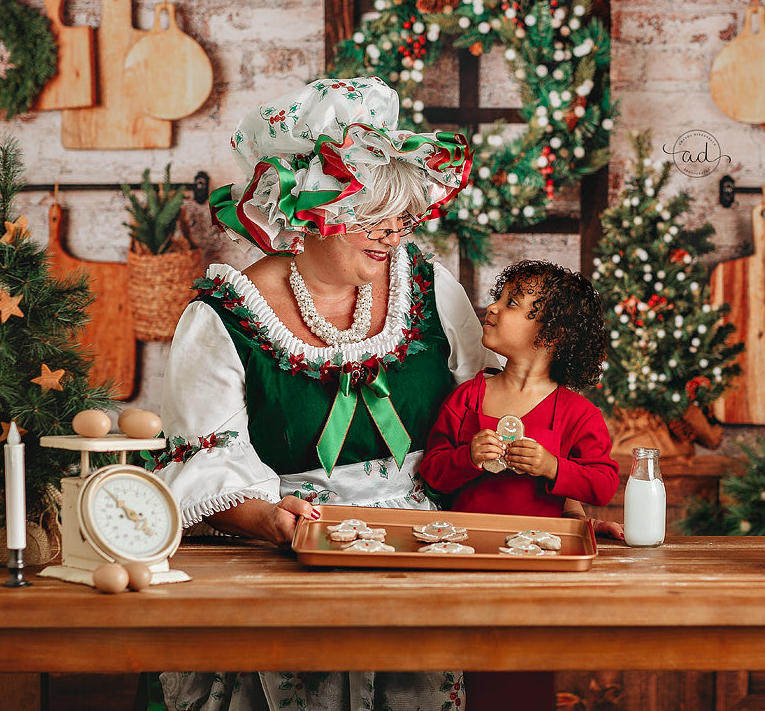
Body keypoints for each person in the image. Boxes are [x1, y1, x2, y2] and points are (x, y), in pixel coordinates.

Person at [151, 76, 491, 711]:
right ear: (307, 214)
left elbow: (484, 418)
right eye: (367, 212)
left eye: (401, 211)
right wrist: (272, 523)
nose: (392, 231)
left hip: (419, 567)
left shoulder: (430, 287)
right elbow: (203, 473)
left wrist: (555, 488)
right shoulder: (224, 318)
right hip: (284, 570)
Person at [418, 260, 621, 711]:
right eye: (500, 297)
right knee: (456, 672)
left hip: (536, 572)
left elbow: (604, 483)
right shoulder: (469, 395)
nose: (491, 309)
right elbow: (432, 470)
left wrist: (553, 468)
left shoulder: (576, 413)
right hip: (462, 563)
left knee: (520, 678)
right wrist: (467, 457)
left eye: (511, 304)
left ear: (549, 334)